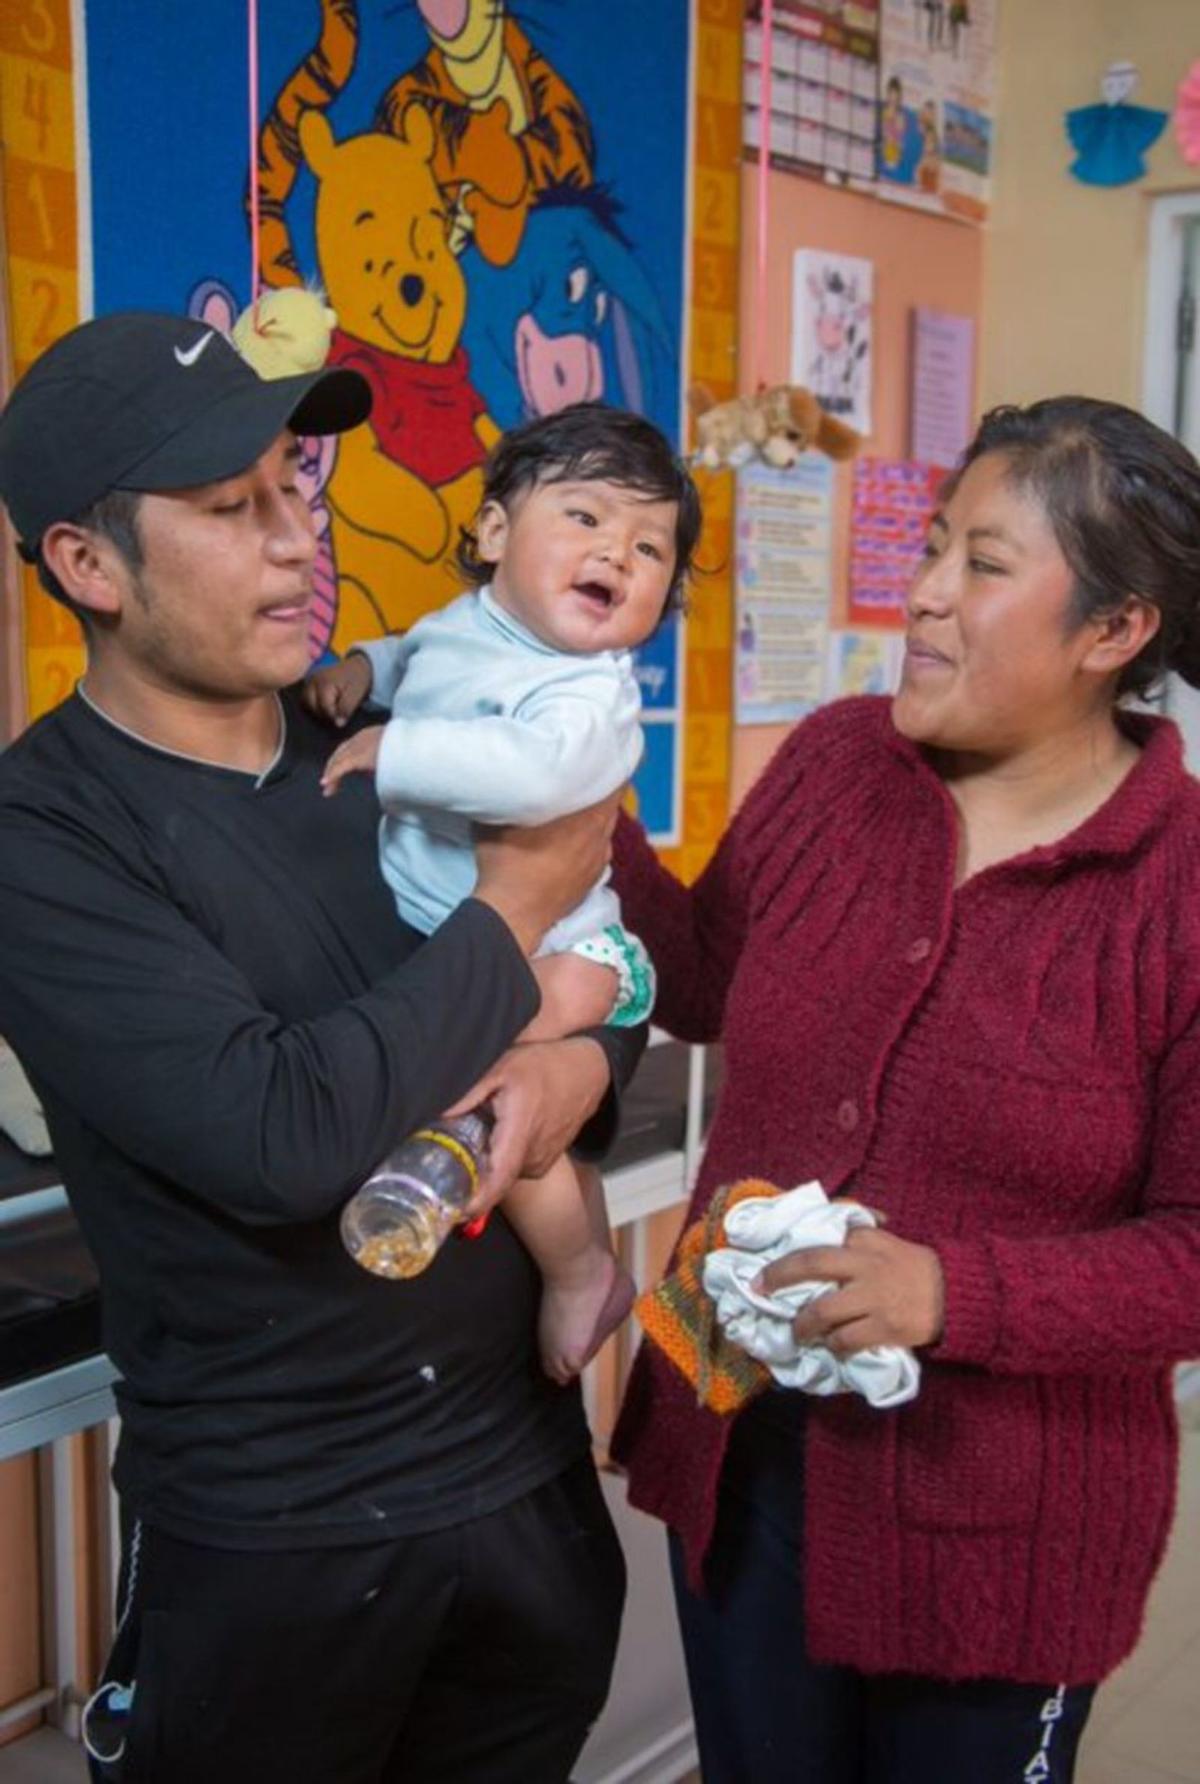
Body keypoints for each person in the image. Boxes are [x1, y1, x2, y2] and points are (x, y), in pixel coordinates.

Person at [0, 311, 644, 1784]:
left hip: (520, 1480)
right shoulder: (46, 836)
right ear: (88, 568)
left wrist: (570, 1068)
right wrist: (516, 911)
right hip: (278, 1531)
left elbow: (621, 972)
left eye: (295, 486)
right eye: (234, 510)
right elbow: (282, 1135)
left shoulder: (398, 726)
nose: (300, 538)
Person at [609, 396, 1200, 1783]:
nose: (923, 597)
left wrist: (952, 1295)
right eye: (932, 545)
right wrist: (579, 796)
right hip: (743, 1460)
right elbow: (698, 979)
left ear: (1113, 633)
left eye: (983, 567)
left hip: (1001, 1538)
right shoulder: (832, 763)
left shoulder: (1180, 898)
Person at [306, 404, 701, 1382]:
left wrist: (398, 749)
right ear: (491, 533)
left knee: (477, 1080)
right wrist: (365, 667)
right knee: (498, 1095)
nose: (618, 549)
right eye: (585, 517)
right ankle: (584, 1235)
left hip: (571, 953)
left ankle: (580, 1270)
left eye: (650, 546)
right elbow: (415, 657)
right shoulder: (464, 633)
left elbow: (529, 776)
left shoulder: (587, 697)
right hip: (492, 946)